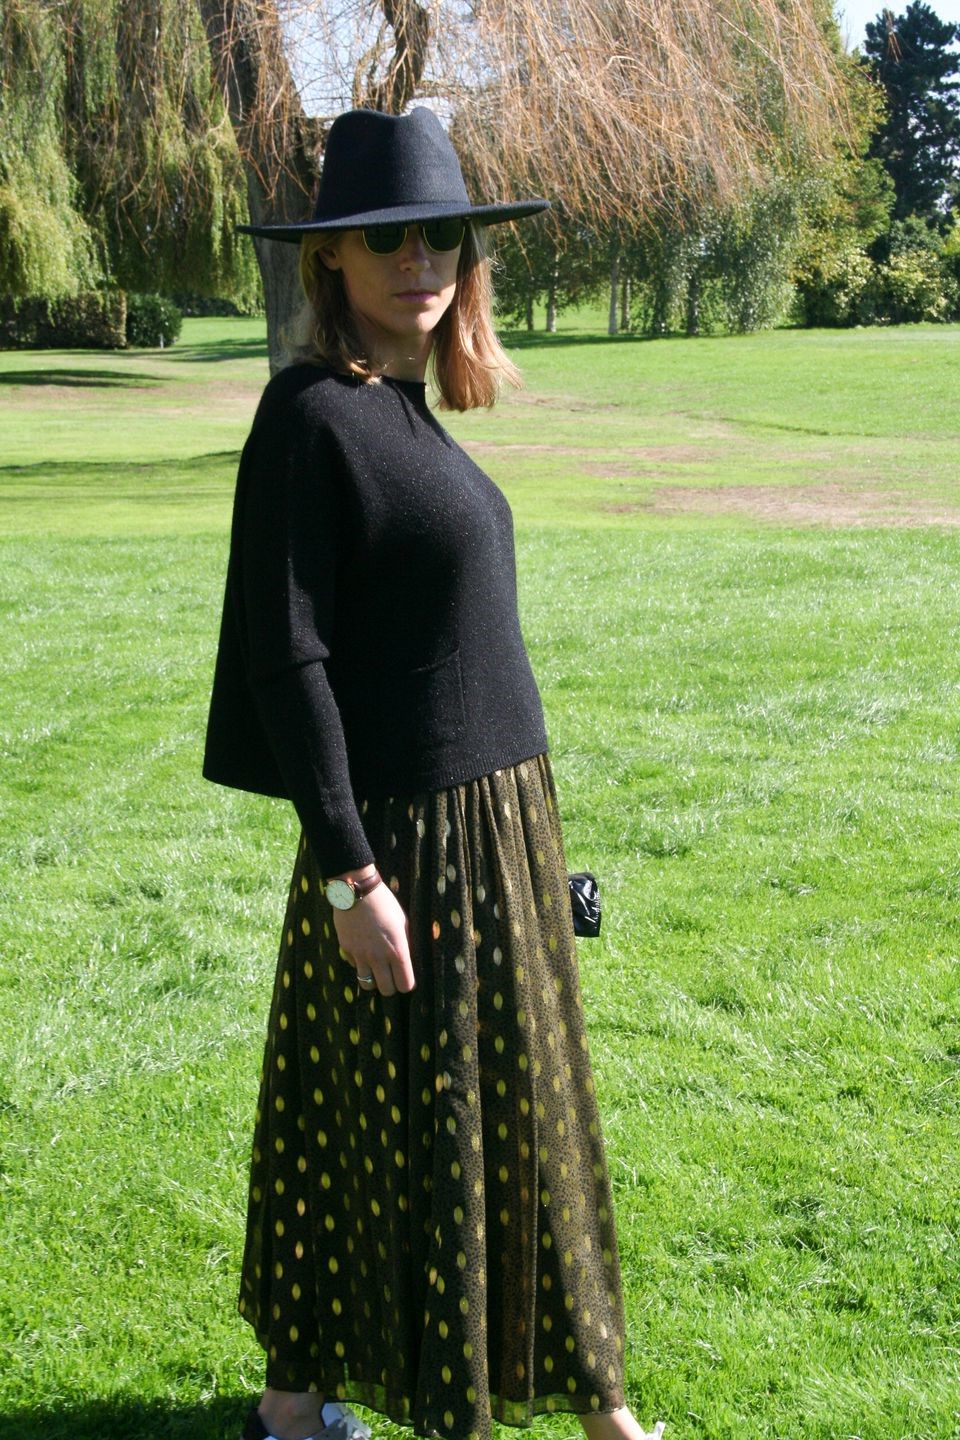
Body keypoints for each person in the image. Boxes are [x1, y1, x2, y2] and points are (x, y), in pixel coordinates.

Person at [203, 107, 664, 1440]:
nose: (420, 260)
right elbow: (287, 661)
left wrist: (528, 850)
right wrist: (352, 877)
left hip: (492, 829)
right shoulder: (310, 418)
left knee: (478, 1130)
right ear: (331, 260)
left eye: (442, 234)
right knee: (417, 1136)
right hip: (407, 852)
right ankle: (589, 1425)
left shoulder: (397, 409)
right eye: (386, 238)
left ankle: (296, 1416)